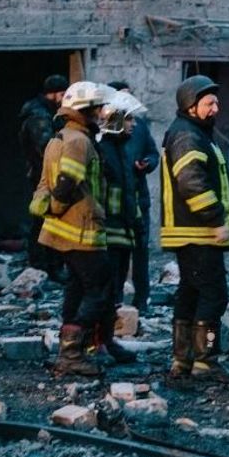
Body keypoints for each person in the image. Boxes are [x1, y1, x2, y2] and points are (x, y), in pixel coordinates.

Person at [161, 75, 229, 381]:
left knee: (190, 292)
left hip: (189, 231)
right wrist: (216, 220)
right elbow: (192, 183)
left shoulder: (190, 133)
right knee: (213, 295)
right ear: (191, 106)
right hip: (198, 231)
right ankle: (204, 361)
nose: (216, 108)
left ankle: (183, 360)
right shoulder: (188, 136)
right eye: (209, 103)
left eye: (216, 102)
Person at [29, 80, 112, 376]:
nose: (101, 113)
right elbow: (65, 186)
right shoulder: (79, 141)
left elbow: (45, 184)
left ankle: (70, 351)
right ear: (84, 110)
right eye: (97, 108)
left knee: (76, 288)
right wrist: (58, 207)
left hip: (63, 231)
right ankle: (72, 353)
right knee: (100, 288)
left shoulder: (59, 137)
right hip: (80, 230)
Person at [92, 92, 143, 365]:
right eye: (130, 118)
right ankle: (96, 343)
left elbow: (127, 193)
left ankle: (108, 340)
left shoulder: (123, 149)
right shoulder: (104, 150)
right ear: (117, 120)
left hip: (122, 232)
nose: (134, 124)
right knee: (104, 287)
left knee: (115, 290)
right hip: (108, 233)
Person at [108, 81, 160, 312]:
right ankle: (116, 300)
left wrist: (147, 163)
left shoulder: (139, 127)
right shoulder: (106, 133)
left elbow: (153, 153)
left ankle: (142, 299)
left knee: (140, 252)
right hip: (117, 206)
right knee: (117, 255)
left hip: (138, 199)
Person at [19, 74, 69, 277]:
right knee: (44, 220)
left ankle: (46, 265)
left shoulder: (44, 113)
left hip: (45, 174)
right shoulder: (39, 116)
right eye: (64, 94)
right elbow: (46, 147)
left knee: (47, 219)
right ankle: (42, 266)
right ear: (56, 93)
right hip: (44, 175)